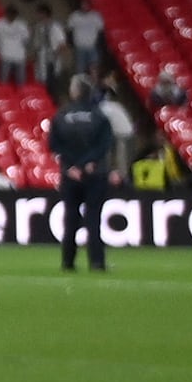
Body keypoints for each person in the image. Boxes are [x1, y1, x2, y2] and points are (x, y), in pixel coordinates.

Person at [50, 79, 119, 274]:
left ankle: (68, 262)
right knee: (93, 219)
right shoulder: (99, 116)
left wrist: (72, 165)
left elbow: (54, 144)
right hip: (95, 173)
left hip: (70, 175)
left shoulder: (62, 116)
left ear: (74, 92)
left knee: (70, 218)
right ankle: (96, 262)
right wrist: (89, 162)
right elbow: (105, 144)